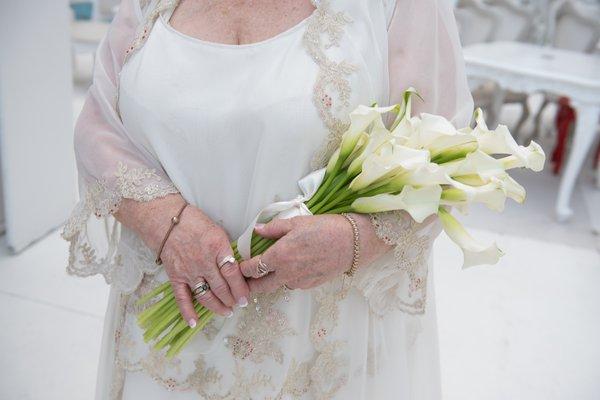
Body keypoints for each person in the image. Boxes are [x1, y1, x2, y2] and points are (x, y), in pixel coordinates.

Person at [63, 0, 473, 398]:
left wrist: (354, 239)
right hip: (168, 342)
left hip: (317, 345)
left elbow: (442, 150)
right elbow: (99, 128)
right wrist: (167, 225)